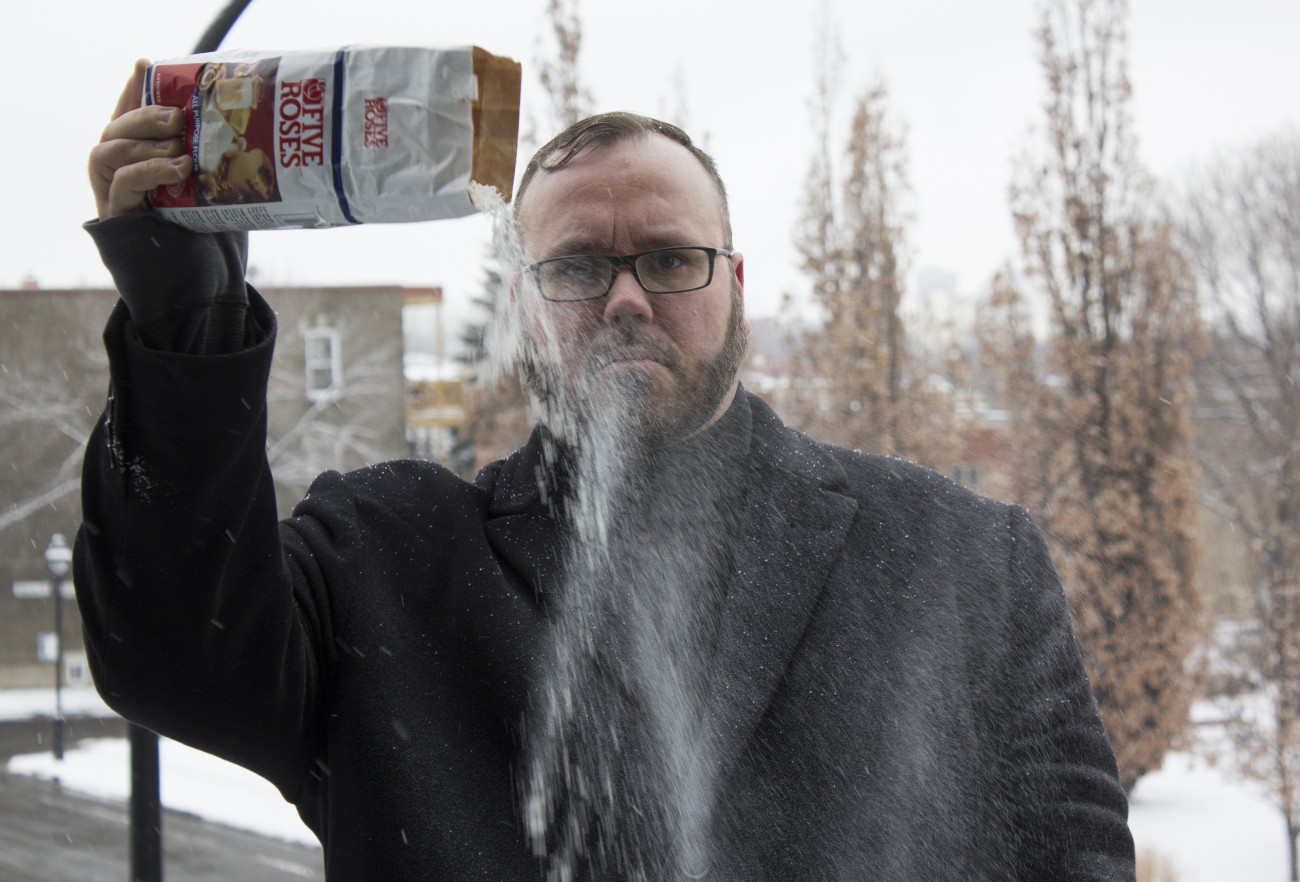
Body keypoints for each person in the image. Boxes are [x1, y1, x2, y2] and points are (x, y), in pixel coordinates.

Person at [78, 60, 1137, 881]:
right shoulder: (389, 559)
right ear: (526, 307)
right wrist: (187, 320)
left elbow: (1073, 859)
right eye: (578, 267)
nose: (627, 300)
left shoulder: (959, 558)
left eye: (670, 260)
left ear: (735, 284)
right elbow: (172, 652)